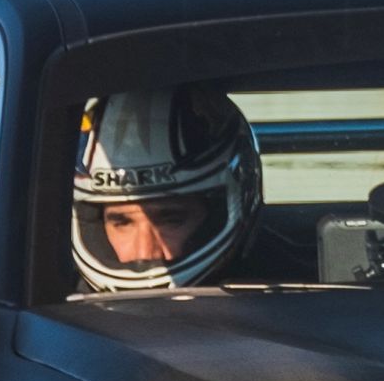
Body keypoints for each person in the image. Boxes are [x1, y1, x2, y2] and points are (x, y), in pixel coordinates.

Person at [70, 85, 266, 291]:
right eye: (122, 222)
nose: (145, 251)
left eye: (171, 220)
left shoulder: (284, 303)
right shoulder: (50, 306)